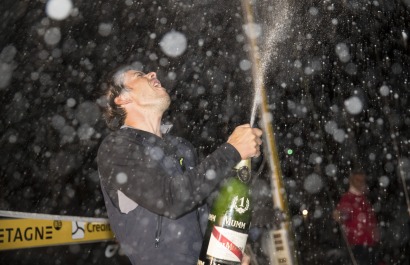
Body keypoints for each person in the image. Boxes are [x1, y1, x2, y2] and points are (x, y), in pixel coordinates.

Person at [97, 65, 262, 265]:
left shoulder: (182, 148)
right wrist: (232, 150)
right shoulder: (118, 147)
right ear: (122, 98)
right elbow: (170, 199)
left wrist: (225, 252)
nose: (153, 74)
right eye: (140, 75)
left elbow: (202, 209)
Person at [333, 170, 381, 265]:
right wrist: (339, 215)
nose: (360, 182)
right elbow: (343, 215)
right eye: (357, 180)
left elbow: (371, 219)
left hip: (371, 243)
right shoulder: (348, 198)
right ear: (351, 181)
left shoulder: (364, 199)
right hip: (358, 244)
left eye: (362, 180)